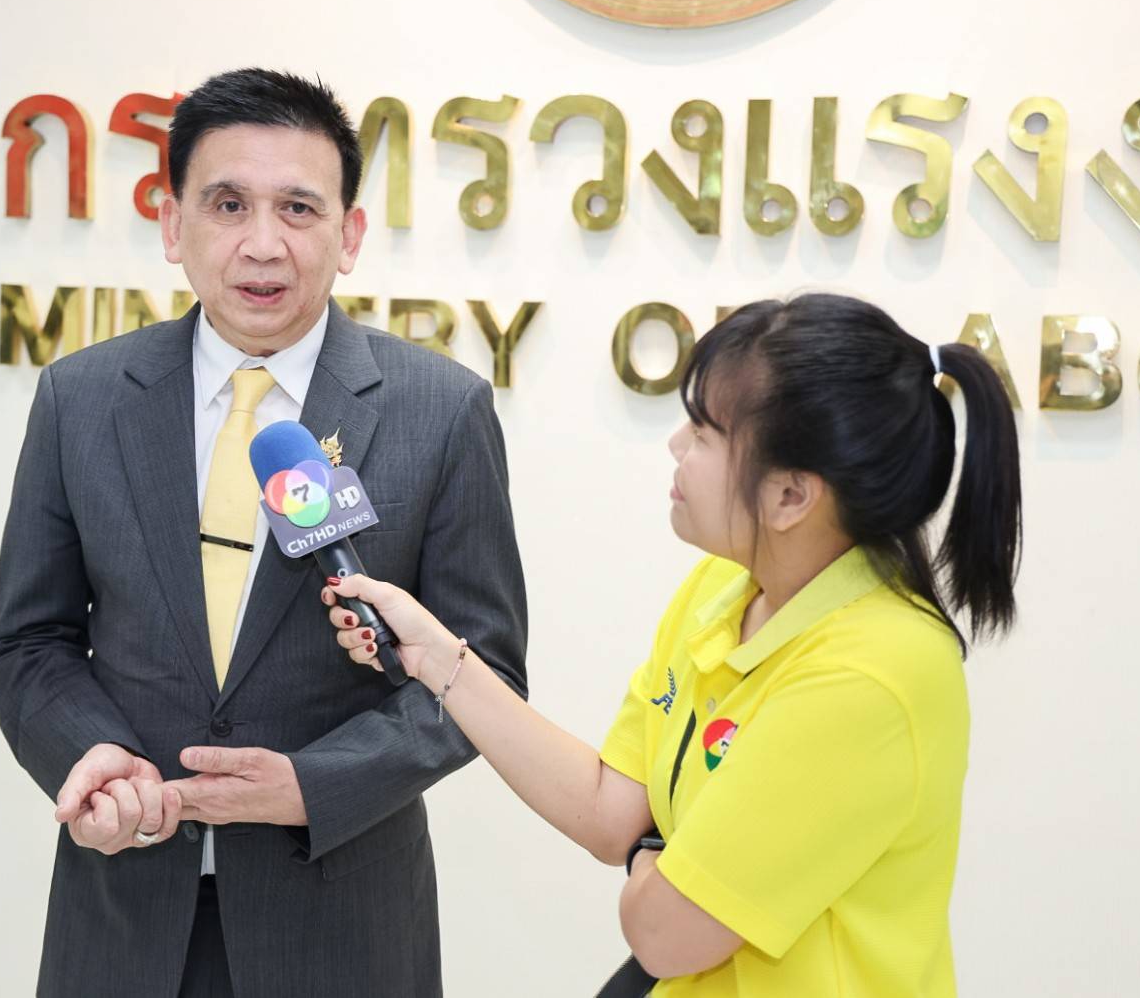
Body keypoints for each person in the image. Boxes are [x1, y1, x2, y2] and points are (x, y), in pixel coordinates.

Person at [0, 68, 528, 998]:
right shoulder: (82, 398)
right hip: (123, 912)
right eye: (227, 204)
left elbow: (487, 675)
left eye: (299, 208)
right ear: (172, 224)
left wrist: (312, 785)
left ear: (349, 234)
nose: (263, 244)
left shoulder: (440, 411)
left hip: (341, 926)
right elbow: (30, 640)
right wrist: (90, 752)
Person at [321, 293, 1022, 997]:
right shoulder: (725, 586)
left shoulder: (870, 671)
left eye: (705, 432)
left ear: (791, 496)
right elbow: (609, 809)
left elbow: (662, 932)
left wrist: (652, 849)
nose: (676, 445)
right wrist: (434, 656)